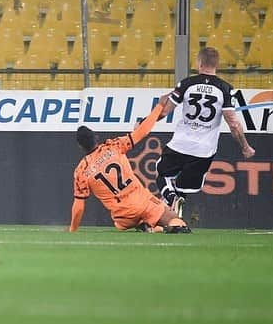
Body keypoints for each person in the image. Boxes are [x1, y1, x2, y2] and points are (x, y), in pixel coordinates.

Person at [155, 47, 255, 216]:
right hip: (204, 150)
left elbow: (164, 111)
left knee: (162, 174)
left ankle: (170, 201)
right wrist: (245, 147)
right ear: (217, 65)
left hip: (180, 144)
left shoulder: (187, 83)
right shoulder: (225, 89)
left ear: (199, 63)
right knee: (183, 186)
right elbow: (234, 124)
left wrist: (144, 122)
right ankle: (173, 217)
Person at [70, 96, 191, 233]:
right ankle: (164, 227)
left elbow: (79, 206)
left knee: (122, 222)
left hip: (122, 217)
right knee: (176, 221)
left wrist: (72, 230)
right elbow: (142, 131)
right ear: (96, 138)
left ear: (80, 147)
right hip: (142, 203)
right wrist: (158, 107)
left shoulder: (81, 170)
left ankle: (148, 226)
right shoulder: (114, 146)